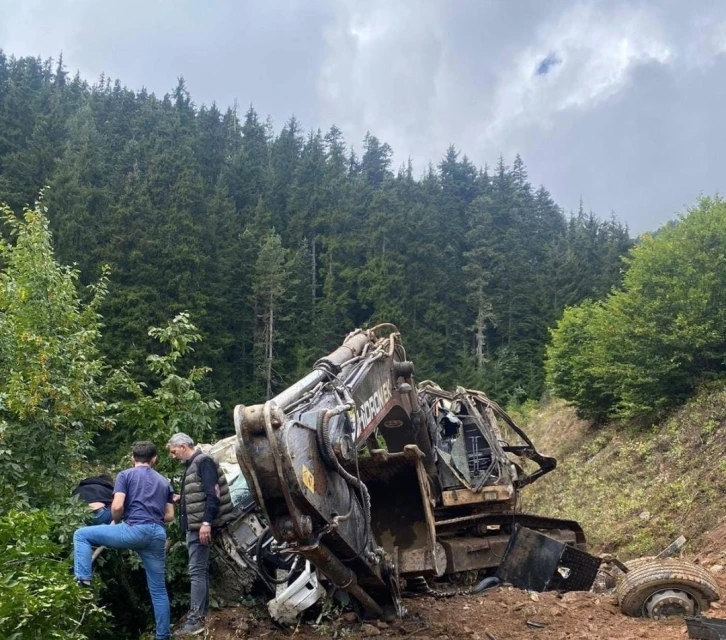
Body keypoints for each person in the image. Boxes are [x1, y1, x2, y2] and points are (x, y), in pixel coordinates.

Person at [73, 441, 174, 640]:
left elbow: (117, 506)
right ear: (154, 459)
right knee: (158, 590)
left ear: (132, 458)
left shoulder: (125, 475)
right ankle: (163, 636)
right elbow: (169, 515)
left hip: (134, 530)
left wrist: (116, 522)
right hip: (157, 534)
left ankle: (83, 580)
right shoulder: (164, 481)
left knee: (81, 535)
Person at [167, 432, 234, 637]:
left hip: (200, 528)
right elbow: (200, 494)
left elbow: (213, 495)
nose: (173, 456)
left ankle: (195, 619)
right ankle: (199, 615)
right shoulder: (194, 464)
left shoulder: (203, 461)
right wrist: (182, 499)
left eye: (173, 451)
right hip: (197, 526)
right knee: (200, 571)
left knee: (196, 571)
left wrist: (206, 523)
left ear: (183, 446)